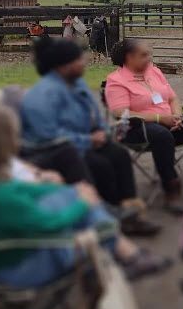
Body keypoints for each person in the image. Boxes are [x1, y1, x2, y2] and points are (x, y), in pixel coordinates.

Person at [0, 105, 171, 288]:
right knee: (92, 224)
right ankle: (123, 253)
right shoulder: (5, 198)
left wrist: (69, 191)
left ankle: (127, 253)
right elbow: (51, 225)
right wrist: (81, 203)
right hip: (19, 270)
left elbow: (21, 189)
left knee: (70, 197)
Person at [20, 37, 159, 235]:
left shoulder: (77, 85)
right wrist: (88, 140)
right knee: (100, 164)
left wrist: (103, 131)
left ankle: (130, 213)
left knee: (119, 155)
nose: (84, 61)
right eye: (79, 59)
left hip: (88, 142)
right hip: (57, 151)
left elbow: (94, 113)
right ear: (63, 65)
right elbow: (48, 136)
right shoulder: (43, 95)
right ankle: (106, 218)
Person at [105, 39, 183, 214]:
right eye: (143, 55)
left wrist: (177, 115)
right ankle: (171, 189)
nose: (149, 58)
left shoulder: (154, 71)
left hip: (169, 122)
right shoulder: (116, 81)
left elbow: (173, 98)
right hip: (136, 129)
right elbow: (121, 113)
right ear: (129, 57)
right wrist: (159, 118)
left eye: (149, 54)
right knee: (161, 135)